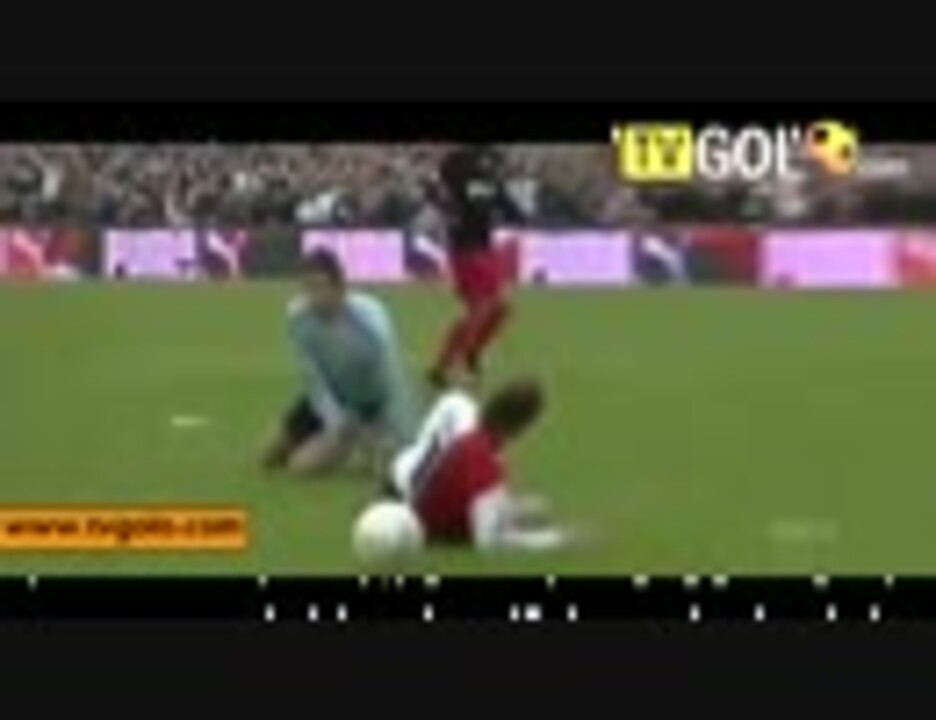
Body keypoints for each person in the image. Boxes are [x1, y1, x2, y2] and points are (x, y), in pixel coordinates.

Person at [262, 248, 417, 477]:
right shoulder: (299, 318)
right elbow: (312, 377)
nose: (313, 297)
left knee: (299, 469)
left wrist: (403, 433)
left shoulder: (370, 321)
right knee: (268, 458)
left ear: (340, 287)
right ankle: (356, 447)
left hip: (370, 406)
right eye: (307, 288)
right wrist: (335, 422)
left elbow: (393, 378)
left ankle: (366, 442)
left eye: (320, 287)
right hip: (332, 397)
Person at [386, 377, 573, 550]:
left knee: (535, 510)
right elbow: (490, 539)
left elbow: (485, 510)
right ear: (523, 425)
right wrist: (554, 540)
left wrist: (518, 512)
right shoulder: (483, 459)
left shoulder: (474, 441)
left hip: (420, 517)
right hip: (435, 536)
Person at [427, 145, 524, 389]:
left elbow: (500, 198)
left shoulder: (488, 164)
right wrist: (449, 206)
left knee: (500, 307)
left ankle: (469, 354)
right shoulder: (459, 162)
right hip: (465, 247)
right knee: (482, 308)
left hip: (483, 246)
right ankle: (446, 365)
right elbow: (438, 189)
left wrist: (515, 212)